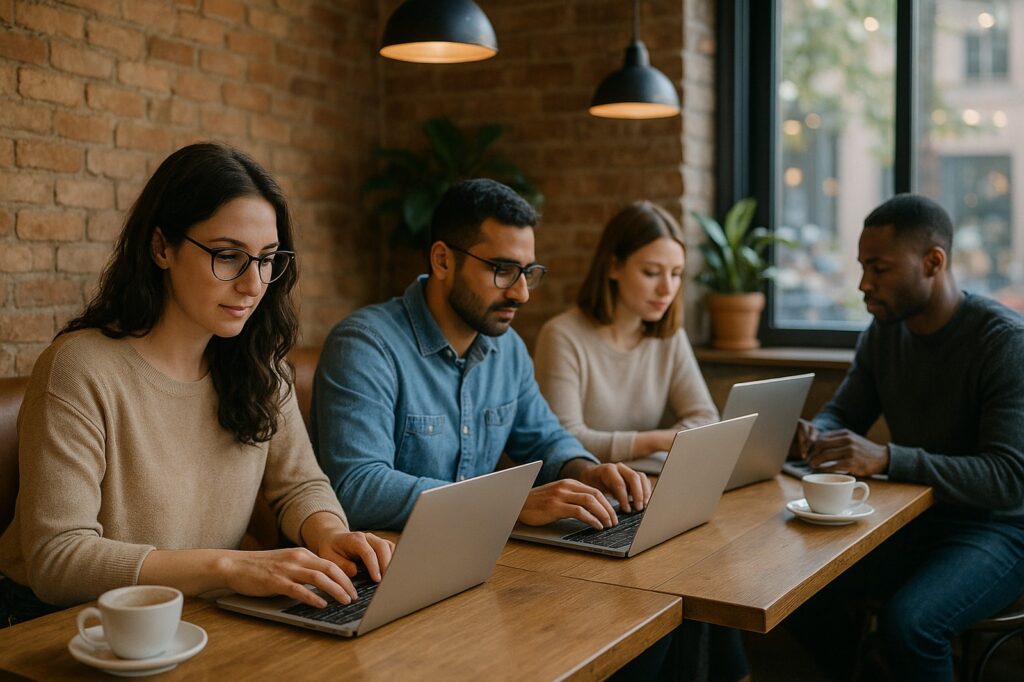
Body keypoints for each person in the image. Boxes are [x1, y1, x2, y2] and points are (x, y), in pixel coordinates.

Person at [0, 143, 392, 627]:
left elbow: (300, 485)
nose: (253, 284)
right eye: (228, 256)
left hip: (197, 613)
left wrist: (328, 533)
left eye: (267, 259)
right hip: (66, 624)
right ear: (161, 247)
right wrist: (229, 567)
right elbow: (58, 559)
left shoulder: (260, 365)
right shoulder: (79, 368)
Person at [311, 178, 651, 533]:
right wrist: (508, 504)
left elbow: (546, 439)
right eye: (502, 270)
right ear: (442, 261)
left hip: (476, 549)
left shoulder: (508, 348)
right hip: (384, 558)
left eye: (527, 272)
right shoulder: (365, 346)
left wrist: (587, 472)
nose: (521, 294)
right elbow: (358, 488)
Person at [791, 194, 1024, 680]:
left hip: (1001, 529)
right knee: (797, 590)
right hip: (915, 516)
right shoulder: (884, 332)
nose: (864, 284)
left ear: (933, 262)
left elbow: (1007, 479)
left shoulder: (1004, 342)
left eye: (879, 268)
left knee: (911, 625)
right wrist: (818, 433)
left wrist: (887, 459)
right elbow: (845, 412)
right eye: (862, 267)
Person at [534, 200, 718, 462]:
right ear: (613, 267)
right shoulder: (561, 335)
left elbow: (706, 418)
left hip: (644, 477)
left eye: (676, 274)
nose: (667, 289)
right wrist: (657, 441)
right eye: (651, 272)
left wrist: (659, 443)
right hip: (585, 483)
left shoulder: (670, 336)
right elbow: (564, 439)